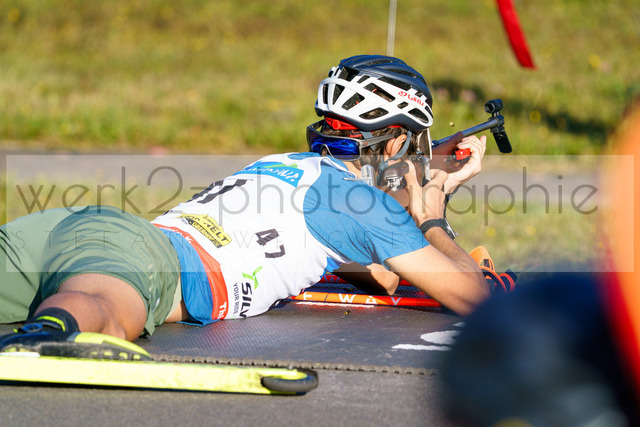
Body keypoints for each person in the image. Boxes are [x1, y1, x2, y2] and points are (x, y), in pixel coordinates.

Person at [0, 55, 490, 359]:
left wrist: (417, 198)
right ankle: (42, 338)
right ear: (395, 143)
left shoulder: (286, 163)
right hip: (148, 262)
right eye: (416, 144)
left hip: (86, 232)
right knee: (100, 317)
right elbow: (475, 298)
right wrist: (432, 214)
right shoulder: (364, 205)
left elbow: (383, 276)